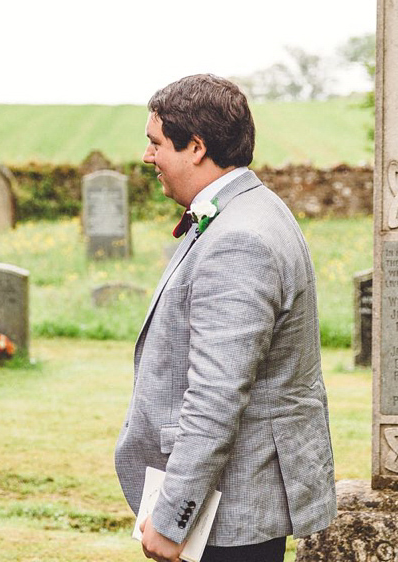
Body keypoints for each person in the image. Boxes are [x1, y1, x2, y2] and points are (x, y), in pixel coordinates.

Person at [114, 74, 336, 562]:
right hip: (233, 506)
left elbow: (216, 395)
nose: (148, 157)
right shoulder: (253, 208)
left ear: (196, 147)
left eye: (155, 143)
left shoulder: (241, 238)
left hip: (230, 515)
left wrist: (173, 519)